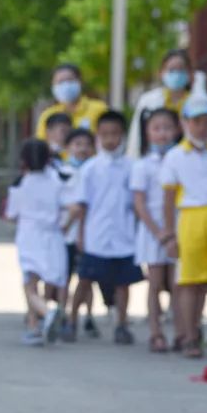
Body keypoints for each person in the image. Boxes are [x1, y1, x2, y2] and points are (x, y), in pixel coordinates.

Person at [161, 74, 207, 358]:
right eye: (196, 121)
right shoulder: (175, 156)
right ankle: (190, 336)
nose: (201, 127)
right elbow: (169, 198)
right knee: (189, 282)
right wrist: (169, 233)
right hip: (190, 218)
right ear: (185, 123)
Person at [73, 110, 143, 344]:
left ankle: (121, 323)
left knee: (123, 283)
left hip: (124, 234)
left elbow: (137, 203)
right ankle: (71, 320)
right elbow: (82, 205)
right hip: (96, 234)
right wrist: (81, 234)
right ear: (98, 136)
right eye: (105, 134)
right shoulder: (91, 168)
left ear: (122, 135)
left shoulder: (132, 167)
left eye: (115, 134)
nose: (110, 139)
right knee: (85, 280)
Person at [5, 139, 68, 346]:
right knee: (51, 279)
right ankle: (35, 325)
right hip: (53, 236)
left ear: (23, 161)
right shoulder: (58, 182)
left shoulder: (20, 184)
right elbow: (67, 207)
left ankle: (45, 313)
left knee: (30, 283)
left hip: (29, 235)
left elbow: (11, 214)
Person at [130, 107, 181, 352]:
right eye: (156, 128)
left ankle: (183, 331)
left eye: (167, 128)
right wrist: (158, 231)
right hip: (153, 232)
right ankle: (155, 331)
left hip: (179, 228)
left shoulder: (181, 158)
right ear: (148, 133)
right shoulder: (142, 166)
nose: (162, 134)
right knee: (155, 282)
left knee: (178, 283)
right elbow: (139, 203)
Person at [60, 127, 96, 342]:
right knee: (64, 279)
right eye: (77, 144)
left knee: (86, 279)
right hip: (66, 233)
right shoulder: (61, 173)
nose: (82, 149)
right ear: (68, 148)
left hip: (88, 235)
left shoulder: (94, 171)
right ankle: (63, 315)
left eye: (86, 145)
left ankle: (88, 315)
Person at [126, 49, 191, 158]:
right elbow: (136, 136)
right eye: (171, 70)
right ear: (161, 73)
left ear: (189, 73)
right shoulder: (148, 100)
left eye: (180, 70)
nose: (176, 74)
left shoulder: (196, 102)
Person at [34, 63, 109, 140]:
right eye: (60, 82)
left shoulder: (99, 109)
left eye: (70, 80)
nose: (65, 85)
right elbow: (41, 145)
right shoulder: (48, 115)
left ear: (80, 81)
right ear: (53, 85)